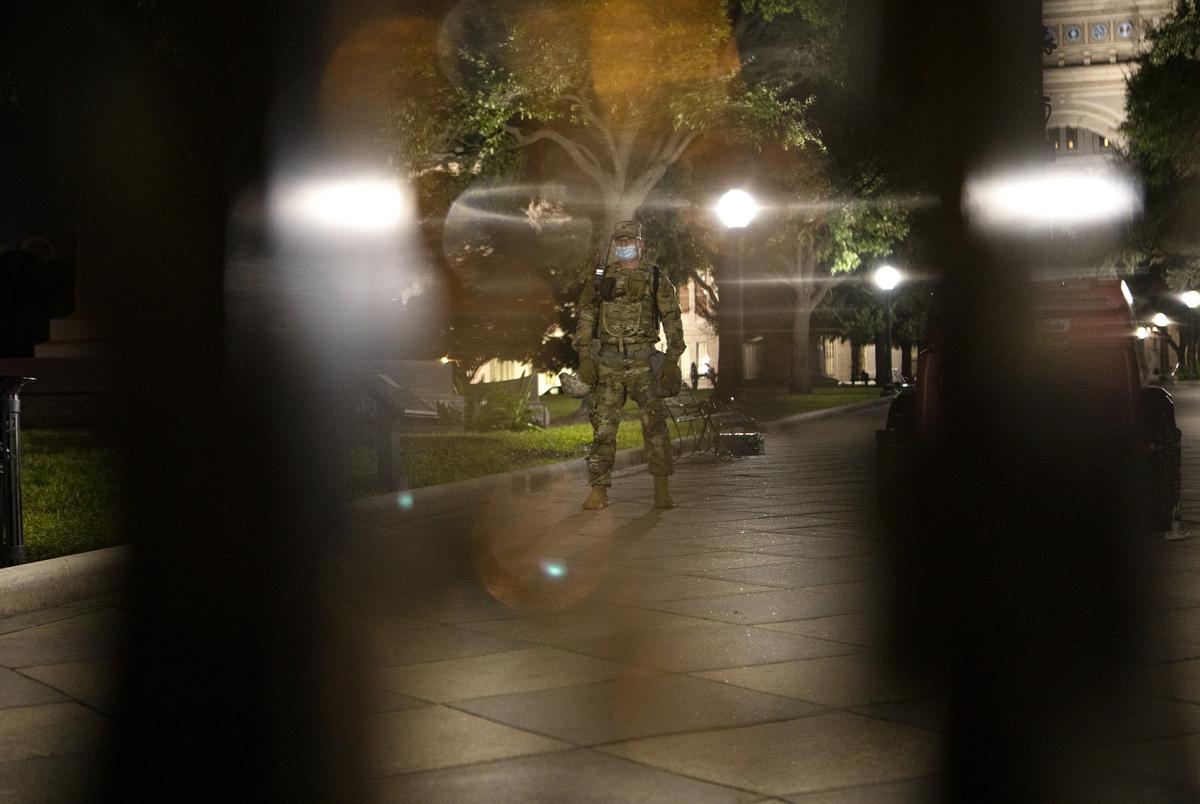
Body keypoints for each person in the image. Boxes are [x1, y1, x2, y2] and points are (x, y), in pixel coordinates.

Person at [574, 220, 684, 510]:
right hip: (609, 363)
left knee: (655, 427)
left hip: (643, 361)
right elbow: (586, 316)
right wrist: (585, 356)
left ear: (640, 244)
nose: (624, 246)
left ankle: (662, 488)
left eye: (629, 241)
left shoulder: (656, 278)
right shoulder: (601, 278)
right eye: (619, 241)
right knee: (603, 430)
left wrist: (672, 357)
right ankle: (599, 491)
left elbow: (672, 318)